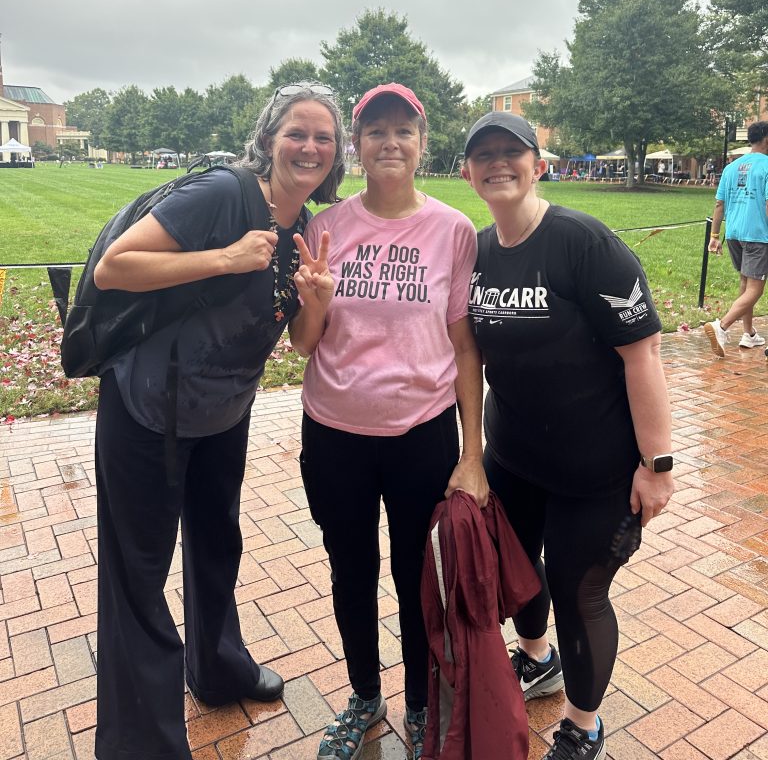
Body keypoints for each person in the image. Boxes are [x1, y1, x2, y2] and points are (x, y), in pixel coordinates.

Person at [91, 84, 345, 760]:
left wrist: (314, 301)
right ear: (269, 138)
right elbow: (115, 269)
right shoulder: (221, 195)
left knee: (215, 544)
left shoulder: (305, 230)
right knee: (138, 574)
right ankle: (139, 744)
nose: (310, 146)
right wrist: (226, 258)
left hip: (224, 410)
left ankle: (218, 666)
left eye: (324, 137)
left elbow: (299, 342)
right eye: (298, 131)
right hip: (148, 410)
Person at [461, 112, 675, 760]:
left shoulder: (583, 243)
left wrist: (657, 464)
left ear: (539, 163)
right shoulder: (473, 251)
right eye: (484, 155)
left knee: (578, 593)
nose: (499, 163)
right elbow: (464, 353)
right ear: (468, 172)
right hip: (514, 457)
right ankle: (535, 658)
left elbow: (644, 354)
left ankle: (583, 726)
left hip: (596, 469)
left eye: (512, 152)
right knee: (517, 571)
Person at [289, 83, 488, 760]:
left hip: (422, 436)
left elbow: (465, 347)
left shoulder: (452, 230)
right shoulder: (327, 226)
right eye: (375, 132)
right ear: (357, 146)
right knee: (350, 569)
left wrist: (472, 452)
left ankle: (423, 703)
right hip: (335, 432)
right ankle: (365, 694)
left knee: (417, 577)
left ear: (422, 143)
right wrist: (313, 302)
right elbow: (304, 343)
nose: (390, 143)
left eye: (404, 131)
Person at [703, 120, 768, 356]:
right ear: (766, 138)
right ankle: (721, 327)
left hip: (735, 234)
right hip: (759, 235)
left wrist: (715, 235)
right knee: (756, 289)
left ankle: (749, 334)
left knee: (745, 282)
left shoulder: (731, 168)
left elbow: (719, 203)